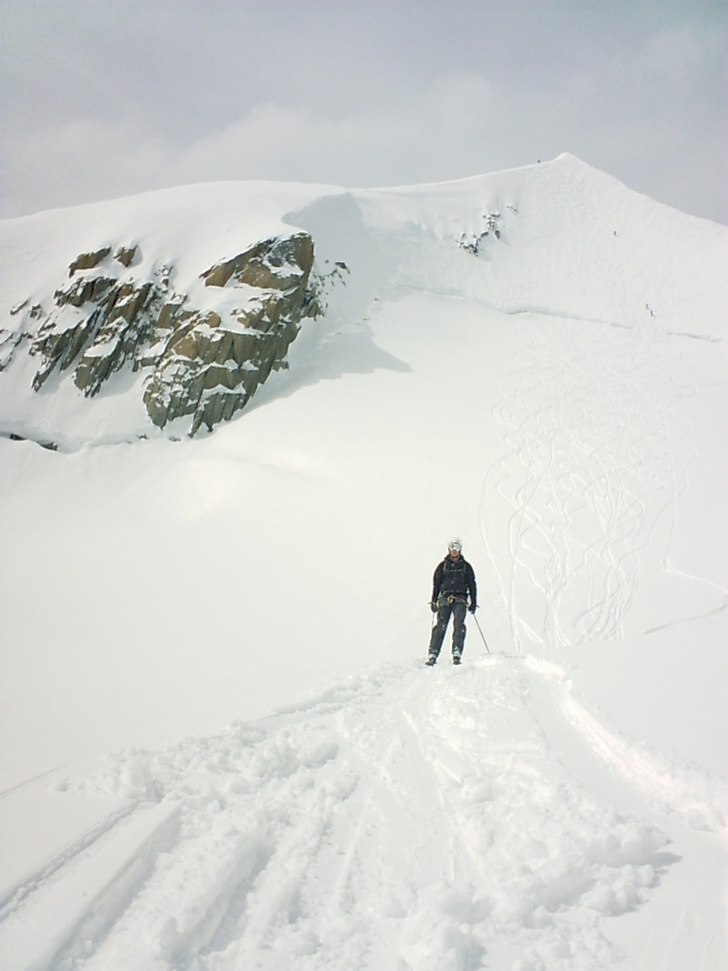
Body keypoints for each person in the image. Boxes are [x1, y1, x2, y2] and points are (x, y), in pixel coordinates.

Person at [426, 538, 477, 665]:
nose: (454, 550)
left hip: (460, 599)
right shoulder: (442, 566)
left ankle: (457, 652)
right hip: (445, 598)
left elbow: (472, 584)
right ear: (448, 549)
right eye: (452, 547)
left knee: (459, 624)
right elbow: (436, 584)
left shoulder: (466, 567)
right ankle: (433, 653)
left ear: (460, 549)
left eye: (457, 547)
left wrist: (473, 602)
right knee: (441, 625)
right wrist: (433, 601)